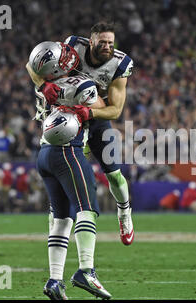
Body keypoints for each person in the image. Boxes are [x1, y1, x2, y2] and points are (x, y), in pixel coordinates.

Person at [25, 20, 134, 246]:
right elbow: (31, 65)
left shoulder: (120, 64)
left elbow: (115, 110)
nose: (107, 46)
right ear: (91, 41)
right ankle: (56, 236)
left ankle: (124, 212)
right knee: (63, 178)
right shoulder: (72, 47)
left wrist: (88, 113)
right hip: (67, 121)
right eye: (102, 42)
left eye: (110, 43)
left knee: (113, 173)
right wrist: (42, 86)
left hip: (95, 118)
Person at [28, 41, 111, 300]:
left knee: (61, 219)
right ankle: (86, 270)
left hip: (44, 154)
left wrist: (44, 85)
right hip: (68, 151)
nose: (68, 54)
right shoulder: (82, 85)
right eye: (62, 55)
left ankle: (54, 280)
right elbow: (109, 111)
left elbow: (32, 66)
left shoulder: (44, 84)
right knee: (87, 209)